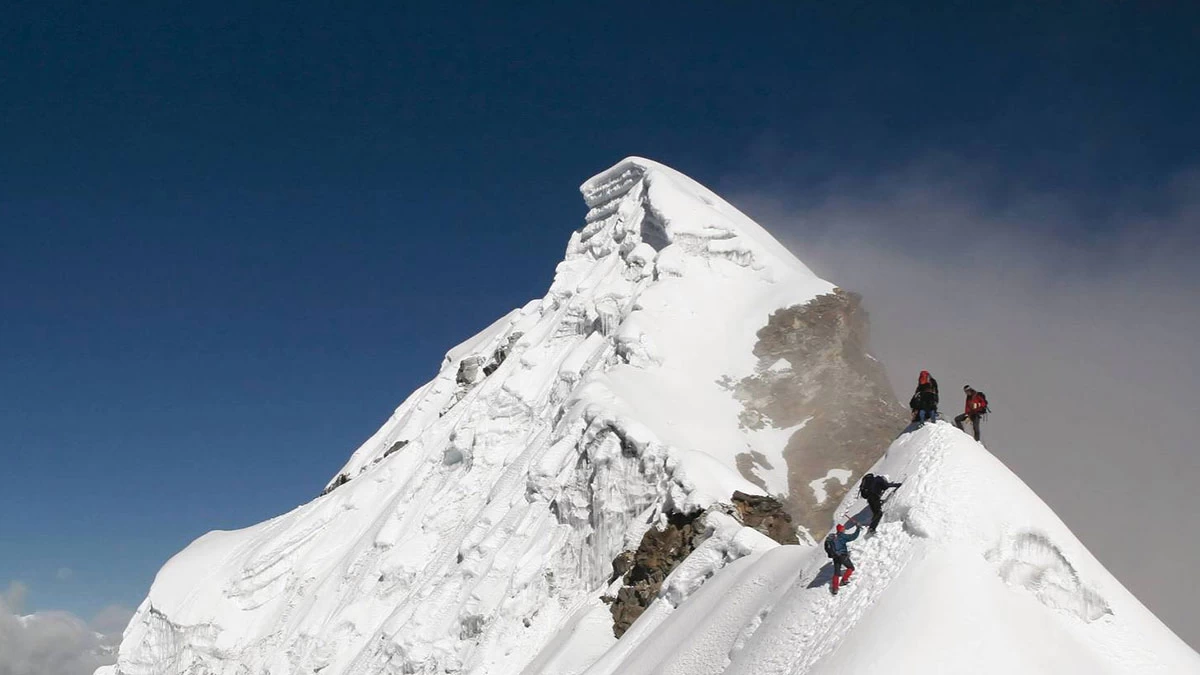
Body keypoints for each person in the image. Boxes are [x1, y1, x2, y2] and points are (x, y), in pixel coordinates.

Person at [823, 520, 861, 595]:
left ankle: (835, 588)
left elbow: (827, 548)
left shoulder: (832, 538)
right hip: (842, 556)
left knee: (836, 573)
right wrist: (858, 528)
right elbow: (853, 537)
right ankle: (844, 580)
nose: (844, 530)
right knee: (851, 568)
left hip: (835, 556)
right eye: (843, 529)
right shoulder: (842, 536)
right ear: (841, 530)